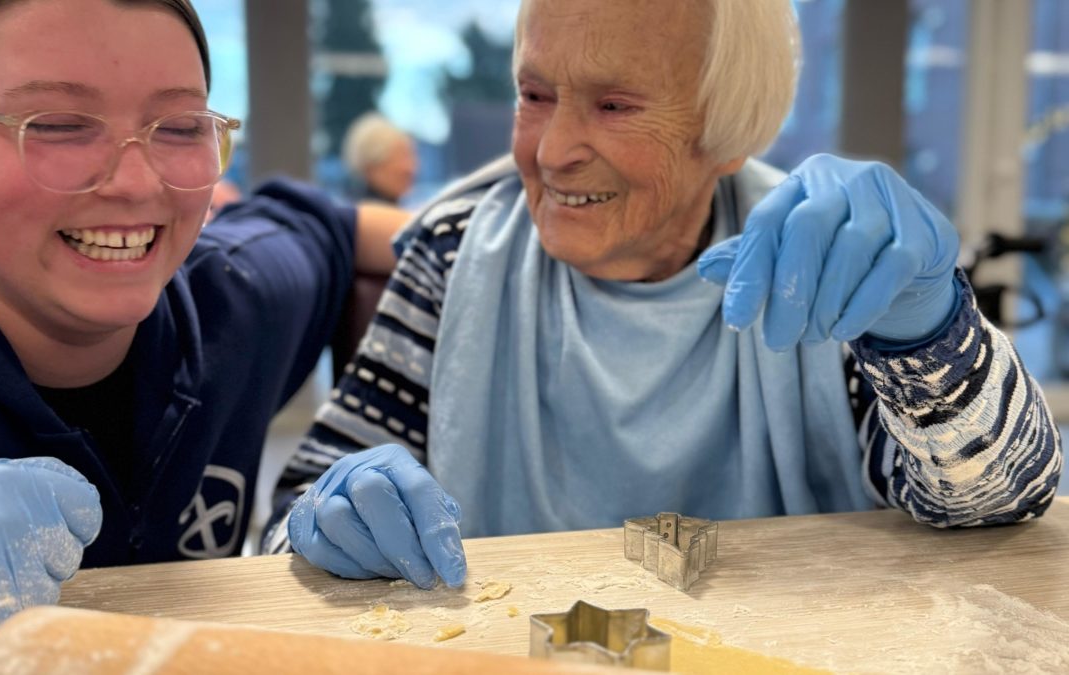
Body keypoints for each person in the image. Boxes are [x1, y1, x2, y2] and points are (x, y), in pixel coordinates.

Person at [263, 0, 1063, 591]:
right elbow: (292, 521)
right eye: (534, 94)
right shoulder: (453, 251)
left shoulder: (819, 253)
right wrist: (324, 518)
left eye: (614, 106)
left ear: (724, 126)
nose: (550, 152)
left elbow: (999, 501)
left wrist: (929, 335)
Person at [0, 0, 405, 629]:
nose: (134, 183)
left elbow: (340, 229)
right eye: (59, 124)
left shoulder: (233, 302)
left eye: (181, 127)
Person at [342, 112, 419, 205]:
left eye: (411, 156)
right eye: (401, 157)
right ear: (371, 167)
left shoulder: (398, 208)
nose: (410, 168)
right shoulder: (363, 214)